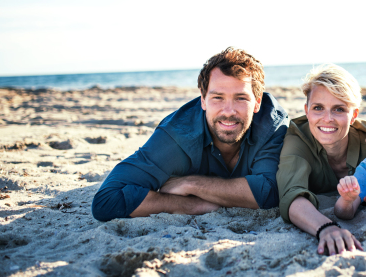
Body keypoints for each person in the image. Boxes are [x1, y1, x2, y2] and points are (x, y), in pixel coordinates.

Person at [92, 47, 289, 221]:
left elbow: (270, 192)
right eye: (217, 97)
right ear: (203, 100)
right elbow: (107, 200)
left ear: (257, 103)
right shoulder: (178, 135)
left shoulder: (272, 125)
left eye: (241, 98)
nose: (228, 111)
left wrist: (191, 185)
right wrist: (189, 206)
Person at [276, 64, 366, 256]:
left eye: (338, 109)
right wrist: (326, 227)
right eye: (318, 108)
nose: (327, 119)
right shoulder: (297, 137)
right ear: (307, 110)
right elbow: (292, 195)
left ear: (353, 115)